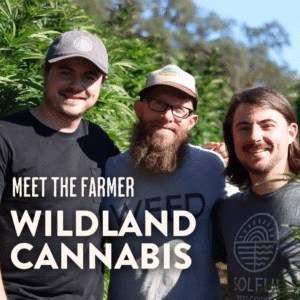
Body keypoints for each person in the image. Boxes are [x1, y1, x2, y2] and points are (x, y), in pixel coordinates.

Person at [0, 30, 119, 299]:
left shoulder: (99, 142)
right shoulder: (6, 136)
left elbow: (149, 178)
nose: (76, 85)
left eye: (89, 77)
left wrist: (207, 155)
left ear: (102, 83)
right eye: (65, 72)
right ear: (44, 71)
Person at [101, 65, 238, 299]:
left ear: (192, 121)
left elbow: (243, 226)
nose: (167, 116)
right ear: (139, 109)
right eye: (158, 104)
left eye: (179, 110)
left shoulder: (210, 166)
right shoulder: (111, 168)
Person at [214, 87, 300, 299]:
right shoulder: (227, 210)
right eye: (243, 128)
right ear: (232, 140)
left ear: (291, 133)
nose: (255, 137)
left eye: (267, 126)